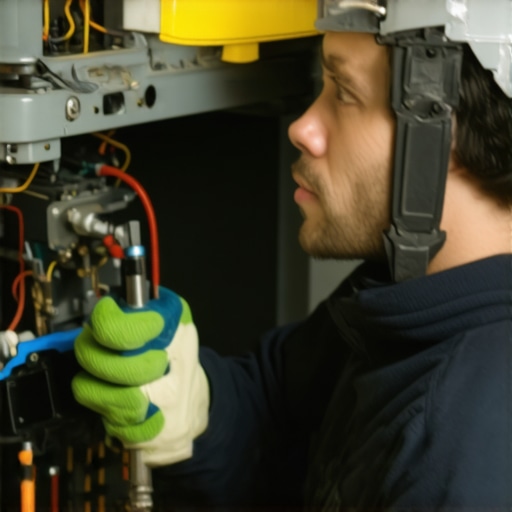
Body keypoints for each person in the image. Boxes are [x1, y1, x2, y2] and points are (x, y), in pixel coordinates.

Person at [71, 1, 512, 509]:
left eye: (344, 93)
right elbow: (281, 409)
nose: (302, 127)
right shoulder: (412, 292)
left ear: (439, 129)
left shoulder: (464, 465)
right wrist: (195, 400)